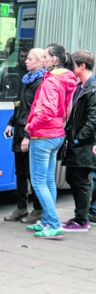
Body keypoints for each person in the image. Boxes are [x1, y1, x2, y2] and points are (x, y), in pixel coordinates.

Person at [24, 43, 77, 239]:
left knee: (38, 182)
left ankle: (53, 224)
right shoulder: (67, 79)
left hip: (43, 134)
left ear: (54, 60)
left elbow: (46, 110)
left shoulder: (50, 82)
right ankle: (47, 220)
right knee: (48, 180)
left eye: (45, 56)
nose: (43, 59)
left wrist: (31, 126)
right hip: (56, 134)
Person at [3, 48, 45, 223]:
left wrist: (29, 135)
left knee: (31, 172)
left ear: (40, 61)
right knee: (20, 171)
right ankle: (21, 207)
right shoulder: (26, 79)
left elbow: (37, 111)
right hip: (19, 131)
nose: (26, 61)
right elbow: (20, 105)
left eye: (30, 59)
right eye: (26, 58)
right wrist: (11, 122)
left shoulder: (41, 83)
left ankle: (37, 209)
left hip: (29, 133)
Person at [60, 50, 96, 232]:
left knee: (80, 179)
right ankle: (79, 217)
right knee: (72, 177)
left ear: (82, 66)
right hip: (77, 142)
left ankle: (82, 220)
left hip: (84, 144)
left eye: (73, 63)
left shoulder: (93, 88)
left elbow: (93, 120)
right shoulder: (82, 86)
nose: (69, 66)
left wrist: (77, 139)